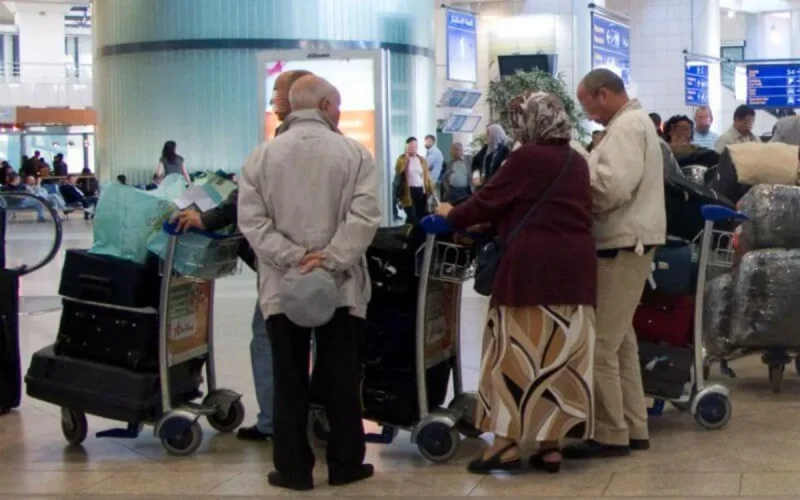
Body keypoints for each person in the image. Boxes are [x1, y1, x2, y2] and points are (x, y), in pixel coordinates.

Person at [436, 91, 597, 475]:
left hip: (531, 270)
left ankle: (506, 445)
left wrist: (450, 213)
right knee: (559, 357)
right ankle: (549, 444)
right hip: (576, 270)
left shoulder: (526, 157)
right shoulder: (576, 160)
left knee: (515, 354)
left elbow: (488, 201)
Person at [238, 75, 381, 491]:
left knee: (288, 378)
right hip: (340, 287)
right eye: (337, 106)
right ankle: (344, 464)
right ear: (323, 105)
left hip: (282, 287)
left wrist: (294, 258)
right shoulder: (354, 154)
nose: (339, 114)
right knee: (341, 377)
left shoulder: (260, 158)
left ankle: (293, 469)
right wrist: (331, 260)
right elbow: (364, 217)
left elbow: (252, 222)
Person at [567, 68, 665, 460]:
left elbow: (610, 189)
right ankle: (633, 425)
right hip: (630, 242)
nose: (588, 114)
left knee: (601, 345)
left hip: (622, 244)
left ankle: (609, 434)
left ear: (603, 94)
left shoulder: (627, 128)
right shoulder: (634, 124)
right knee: (622, 341)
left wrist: (580, 164)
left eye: (587, 104)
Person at [394, 137, 433, 224]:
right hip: (407, 191)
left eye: (415, 146)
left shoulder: (421, 160)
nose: (413, 148)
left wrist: (430, 190)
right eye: (411, 146)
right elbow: (398, 170)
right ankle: (410, 233)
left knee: (421, 215)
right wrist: (406, 158)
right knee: (412, 216)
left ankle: (415, 235)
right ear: (406, 147)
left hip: (421, 191)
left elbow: (427, 176)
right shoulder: (402, 158)